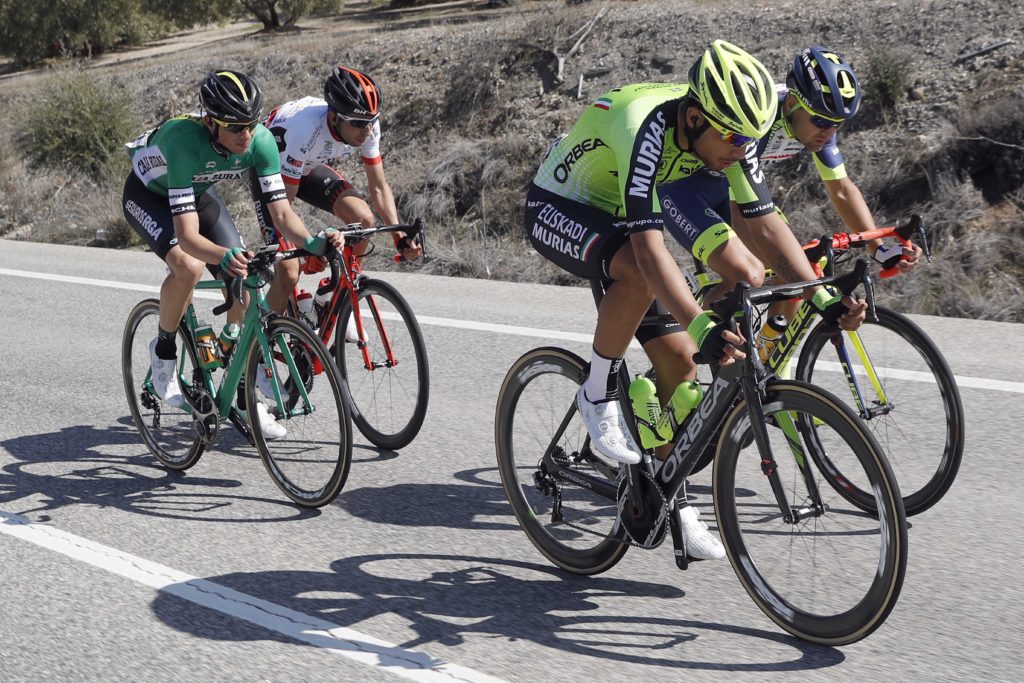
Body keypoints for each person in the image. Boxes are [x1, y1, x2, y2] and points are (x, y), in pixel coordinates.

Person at [122, 69, 342, 437]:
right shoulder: (182, 142)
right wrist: (221, 256)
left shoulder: (260, 141)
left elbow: (283, 214)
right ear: (210, 122)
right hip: (148, 196)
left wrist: (315, 243)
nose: (246, 135)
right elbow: (188, 236)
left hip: (198, 195)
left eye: (251, 125)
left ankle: (238, 379)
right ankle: (163, 354)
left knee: (245, 276)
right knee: (188, 267)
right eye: (236, 127)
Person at [729, 46, 922, 331]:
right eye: (821, 122)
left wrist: (879, 249)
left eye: (837, 124)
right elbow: (736, 207)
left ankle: (771, 362)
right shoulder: (760, 120)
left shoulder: (818, 124)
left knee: (794, 269)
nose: (828, 133)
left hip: (741, 189)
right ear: (792, 103)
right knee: (766, 268)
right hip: (708, 185)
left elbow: (841, 190)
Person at [252, 65, 422, 324]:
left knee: (363, 220)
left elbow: (378, 186)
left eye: (370, 122)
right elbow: (285, 207)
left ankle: (336, 298)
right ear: (334, 117)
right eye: (358, 124)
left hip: (307, 164)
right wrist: (307, 247)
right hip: (270, 169)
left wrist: (399, 236)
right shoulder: (304, 129)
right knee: (289, 272)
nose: (366, 131)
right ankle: (257, 347)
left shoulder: (366, 126)